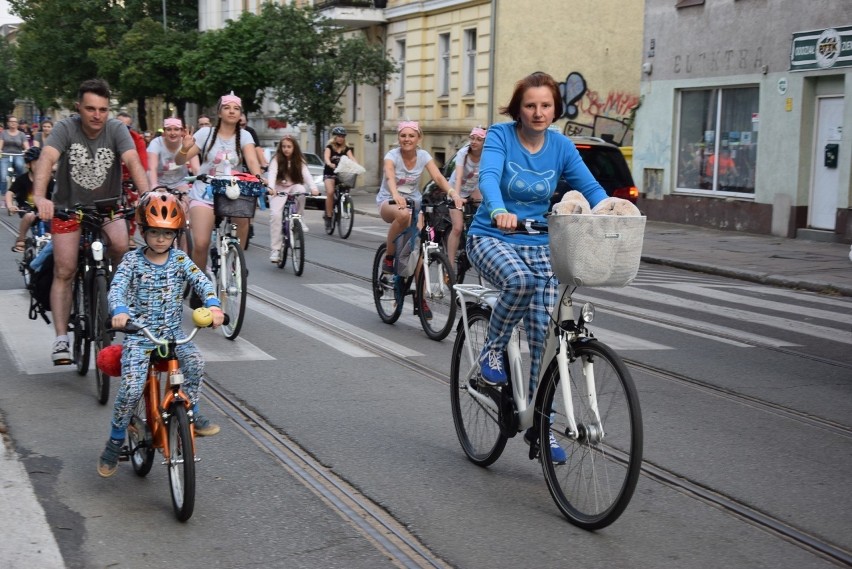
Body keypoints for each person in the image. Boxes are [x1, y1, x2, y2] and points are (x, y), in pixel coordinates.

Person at [466, 72, 609, 462]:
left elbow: (591, 187)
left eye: (546, 105)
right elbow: (489, 175)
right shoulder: (500, 135)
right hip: (492, 236)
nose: (538, 112)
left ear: (554, 109)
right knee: (519, 280)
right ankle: (492, 352)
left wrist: (613, 213)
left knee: (548, 336)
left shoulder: (561, 145)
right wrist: (497, 210)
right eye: (530, 105)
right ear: (519, 108)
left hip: (540, 243)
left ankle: (540, 427)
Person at [96, 191, 224, 477]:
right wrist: (119, 310)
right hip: (140, 336)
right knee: (130, 389)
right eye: (154, 233)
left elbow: (201, 281)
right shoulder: (131, 261)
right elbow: (117, 288)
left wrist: (214, 305)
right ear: (143, 231)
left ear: (176, 235)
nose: (160, 240)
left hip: (173, 334)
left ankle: (193, 412)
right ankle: (116, 440)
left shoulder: (180, 260)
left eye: (167, 234)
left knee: (195, 363)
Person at [32, 78, 150, 365]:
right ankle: (61, 338)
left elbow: (133, 161)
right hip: (67, 208)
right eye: (90, 109)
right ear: (78, 108)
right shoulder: (64, 128)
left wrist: (146, 197)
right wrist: (40, 197)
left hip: (107, 207)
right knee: (65, 268)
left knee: (122, 245)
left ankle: (111, 297)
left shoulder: (116, 129)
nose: (97, 115)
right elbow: (47, 159)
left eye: (103, 109)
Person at [174, 92, 263, 279]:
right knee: (201, 243)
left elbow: (253, 161)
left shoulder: (245, 136)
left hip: (232, 194)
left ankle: (236, 260)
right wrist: (184, 147)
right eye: (227, 108)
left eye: (236, 109)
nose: (232, 111)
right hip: (204, 194)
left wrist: (259, 180)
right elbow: (180, 160)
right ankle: (200, 284)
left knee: (244, 219)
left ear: (240, 114)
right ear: (219, 112)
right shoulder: (206, 133)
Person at [376, 121, 454, 317]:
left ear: (419, 138)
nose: (407, 139)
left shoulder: (424, 156)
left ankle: (421, 299)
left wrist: (453, 192)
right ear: (398, 138)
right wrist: (395, 195)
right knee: (402, 215)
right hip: (390, 202)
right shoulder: (391, 156)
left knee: (420, 250)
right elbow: (390, 176)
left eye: (411, 136)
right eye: (403, 135)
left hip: (414, 205)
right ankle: (389, 257)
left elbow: (437, 177)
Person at [147, 117, 198, 251]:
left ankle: (184, 256)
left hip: (180, 183)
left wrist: (200, 184)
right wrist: (154, 187)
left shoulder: (186, 143)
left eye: (176, 129)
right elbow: (151, 168)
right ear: (164, 132)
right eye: (169, 129)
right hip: (160, 184)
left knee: (186, 219)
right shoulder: (156, 143)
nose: (173, 133)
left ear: (182, 131)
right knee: (161, 219)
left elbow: (196, 168)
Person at [267, 134, 319, 263]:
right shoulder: (276, 159)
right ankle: (276, 250)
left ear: (294, 148)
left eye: (289, 147)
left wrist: (313, 188)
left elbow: (306, 175)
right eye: (284, 146)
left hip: (293, 186)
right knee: (276, 215)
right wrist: (271, 188)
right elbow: (272, 175)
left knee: (301, 191)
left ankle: (299, 217)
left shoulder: (299, 160)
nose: (286, 149)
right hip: (278, 189)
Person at [445, 126, 486, 270]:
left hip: (472, 189)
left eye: (479, 139)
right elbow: (459, 175)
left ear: (484, 142)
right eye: (472, 138)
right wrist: (456, 196)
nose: (474, 142)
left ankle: (475, 249)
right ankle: (449, 266)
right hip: (456, 190)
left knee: (485, 217)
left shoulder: (487, 154)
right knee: (457, 227)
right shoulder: (463, 153)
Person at [5, 146, 53, 252]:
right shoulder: (22, 179)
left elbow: (57, 194)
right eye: (36, 163)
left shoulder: (49, 179)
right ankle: (21, 239)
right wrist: (10, 206)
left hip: (45, 210)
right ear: (28, 165)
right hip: (27, 208)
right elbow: (9, 193)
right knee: (30, 216)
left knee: (50, 233)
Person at [323, 126, 356, 229]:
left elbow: (352, 159)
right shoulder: (329, 147)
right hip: (330, 173)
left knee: (345, 191)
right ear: (335, 137)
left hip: (341, 174)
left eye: (343, 136)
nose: (341, 138)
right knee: (330, 192)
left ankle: (343, 205)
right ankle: (328, 217)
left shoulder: (346, 149)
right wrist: (329, 163)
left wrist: (356, 166)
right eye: (339, 136)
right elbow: (326, 158)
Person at [0, 115, 31, 201]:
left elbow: (26, 146)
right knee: (2, 176)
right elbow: (0, 144)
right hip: (5, 155)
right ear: (8, 123)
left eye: (15, 122)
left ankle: (18, 191)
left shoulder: (21, 134)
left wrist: (27, 151)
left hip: (18, 155)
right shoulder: (3, 133)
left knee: (20, 168)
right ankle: (3, 196)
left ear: (17, 124)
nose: (13, 123)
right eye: (11, 122)